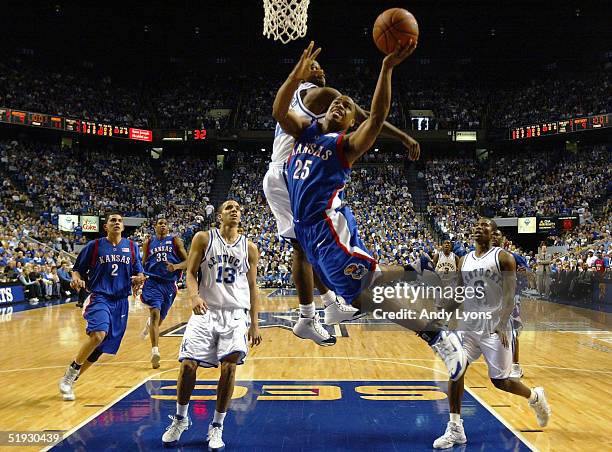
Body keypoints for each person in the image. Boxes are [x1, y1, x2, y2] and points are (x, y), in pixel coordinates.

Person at [274, 41, 467, 381]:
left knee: (371, 288)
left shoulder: (344, 146)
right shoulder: (305, 134)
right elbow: (278, 111)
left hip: (329, 229)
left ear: (350, 123)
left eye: (346, 106)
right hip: (309, 233)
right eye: (336, 101)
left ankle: (437, 326)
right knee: (363, 300)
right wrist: (296, 74)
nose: (339, 103)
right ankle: (423, 307)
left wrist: (386, 68)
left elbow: (376, 117)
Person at [263, 42, 421, 346]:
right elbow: (366, 116)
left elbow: (364, 119)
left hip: (289, 172)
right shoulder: (319, 93)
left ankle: (329, 307)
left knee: (307, 247)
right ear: (304, 72)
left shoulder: (305, 102)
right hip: (291, 173)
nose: (321, 68)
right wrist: (403, 136)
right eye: (315, 66)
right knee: (303, 247)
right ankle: (312, 314)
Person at [433, 218, 551, 449]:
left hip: (493, 327)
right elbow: (458, 294)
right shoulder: (464, 259)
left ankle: (535, 397)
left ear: (493, 233)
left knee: (502, 382)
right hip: (468, 327)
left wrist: (502, 321)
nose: (478, 227)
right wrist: (440, 313)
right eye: (476, 225)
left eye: (484, 226)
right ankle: (455, 427)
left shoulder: (503, 258)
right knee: (456, 369)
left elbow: (509, 295)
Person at [162, 200, 262, 450]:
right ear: (219, 216)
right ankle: (180, 419)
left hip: (236, 313)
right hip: (206, 310)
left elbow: (252, 287)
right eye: (229, 207)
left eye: (238, 208)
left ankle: (217, 426)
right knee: (187, 365)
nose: (235, 210)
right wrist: (194, 296)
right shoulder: (203, 239)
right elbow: (191, 272)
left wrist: (255, 324)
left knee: (229, 368)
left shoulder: (249, 248)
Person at [58, 213, 146, 401]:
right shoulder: (95, 246)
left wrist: (140, 278)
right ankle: (70, 372)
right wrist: (76, 279)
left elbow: (139, 271)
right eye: (113, 220)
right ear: (106, 226)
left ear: (123, 227)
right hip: (100, 296)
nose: (117, 223)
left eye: (119, 221)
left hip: (121, 301)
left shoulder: (131, 247)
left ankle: (71, 380)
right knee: (98, 334)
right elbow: (77, 270)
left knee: (100, 347)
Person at [140, 218, 188, 368]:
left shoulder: (175, 241)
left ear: (168, 227)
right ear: (155, 227)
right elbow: (142, 263)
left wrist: (176, 266)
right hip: (152, 282)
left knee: (159, 319)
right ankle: (155, 351)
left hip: (169, 285)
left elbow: (188, 262)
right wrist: (139, 277)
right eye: (159, 223)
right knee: (154, 313)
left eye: (165, 223)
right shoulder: (148, 243)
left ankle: (150, 325)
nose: (162, 225)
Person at [491, 229, 528, 378]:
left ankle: (515, 366)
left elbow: (526, 273)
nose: (494, 237)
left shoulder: (512, 257)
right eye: (492, 235)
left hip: (509, 299)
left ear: (503, 238)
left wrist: (521, 274)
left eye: (497, 235)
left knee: (512, 331)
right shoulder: (484, 258)